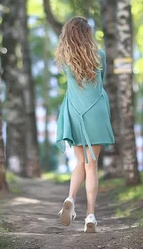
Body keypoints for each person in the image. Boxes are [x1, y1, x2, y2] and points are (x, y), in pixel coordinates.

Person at [54, 17, 115, 233]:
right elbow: (102, 81)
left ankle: (70, 198)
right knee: (92, 165)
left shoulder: (65, 59)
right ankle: (90, 215)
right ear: (87, 34)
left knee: (80, 162)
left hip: (75, 112)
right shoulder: (100, 56)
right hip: (96, 112)